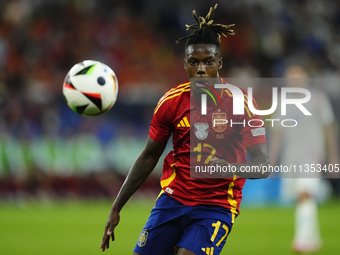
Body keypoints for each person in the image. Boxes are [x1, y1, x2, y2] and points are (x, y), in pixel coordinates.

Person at [100, 4, 270, 255]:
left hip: (217, 205)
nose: (201, 69)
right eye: (194, 62)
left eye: (208, 62)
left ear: (219, 63)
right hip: (173, 199)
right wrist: (117, 206)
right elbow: (149, 156)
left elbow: (263, 164)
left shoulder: (242, 105)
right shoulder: (171, 102)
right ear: (185, 65)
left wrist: (229, 168)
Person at [269, 64, 339, 253]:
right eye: (291, 77)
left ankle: (301, 240)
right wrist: (271, 160)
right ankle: (314, 239)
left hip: (312, 154)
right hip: (290, 157)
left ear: (305, 78)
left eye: (298, 77)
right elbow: (277, 134)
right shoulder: (283, 103)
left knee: (304, 193)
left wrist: (333, 157)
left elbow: (329, 128)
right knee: (300, 198)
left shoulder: (317, 98)